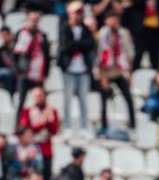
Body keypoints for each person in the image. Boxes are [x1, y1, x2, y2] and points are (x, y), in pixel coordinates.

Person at [57, 2, 95, 136]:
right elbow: (65, 47)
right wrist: (79, 45)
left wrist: (76, 45)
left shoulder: (86, 29)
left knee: (84, 101)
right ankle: (67, 127)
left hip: (83, 70)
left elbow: (90, 45)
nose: (78, 15)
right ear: (70, 14)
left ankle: (84, 127)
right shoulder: (65, 28)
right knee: (67, 100)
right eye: (76, 12)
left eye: (80, 13)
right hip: (69, 69)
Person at [95, 11, 136, 133]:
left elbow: (129, 54)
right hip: (105, 71)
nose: (113, 22)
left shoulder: (123, 33)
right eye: (111, 19)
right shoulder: (101, 35)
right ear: (106, 21)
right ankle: (103, 126)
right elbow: (98, 57)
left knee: (128, 98)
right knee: (103, 100)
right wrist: (102, 76)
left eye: (115, 19)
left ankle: (133, 124)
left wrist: (130, 73)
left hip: (119, 71)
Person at [13, 10, 51, 121]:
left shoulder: (42, 35)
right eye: (32, 20)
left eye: (36, 20)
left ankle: (40, 124)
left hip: (38, 74)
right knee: (21, 101)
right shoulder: (21, 34)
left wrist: (46, 72)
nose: (34, 23)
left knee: (40, 101)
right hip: (25, 74)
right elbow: (15, 55)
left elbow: (47, 55)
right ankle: (18, 124)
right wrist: (19, 70)